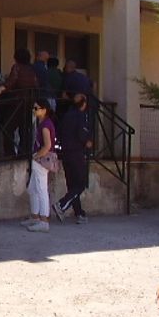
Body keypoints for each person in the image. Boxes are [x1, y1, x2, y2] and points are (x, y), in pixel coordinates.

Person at [53, 93, 93, 224]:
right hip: (76, 153)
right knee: (81, 184)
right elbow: (82, 134)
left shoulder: (66, 116)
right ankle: (62, 205)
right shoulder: (81, 116)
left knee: (72, 185)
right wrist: (87, 141)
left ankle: (79, 213)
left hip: (65, 153)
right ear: (83, 104)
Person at [0, 48, 39, 157]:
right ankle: (24, 153)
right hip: (29, 104)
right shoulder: (32, 70)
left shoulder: (17, 67)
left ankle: (10, 154)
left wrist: (0, 89)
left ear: (16, 58)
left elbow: (11, 81)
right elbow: (36, 85)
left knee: (7, 129)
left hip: (17, 103)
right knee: (25, 130)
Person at [22, 98, 57, 233]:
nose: (34, 110)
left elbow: (47, 145)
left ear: (44, 110)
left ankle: (44, 220)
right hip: (40, 160)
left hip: (41, 160)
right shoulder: (42, 123)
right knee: (33, 189)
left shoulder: (45, 125)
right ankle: (35, 217)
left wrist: (37, 156)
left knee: (41, 190)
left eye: (37, 108)